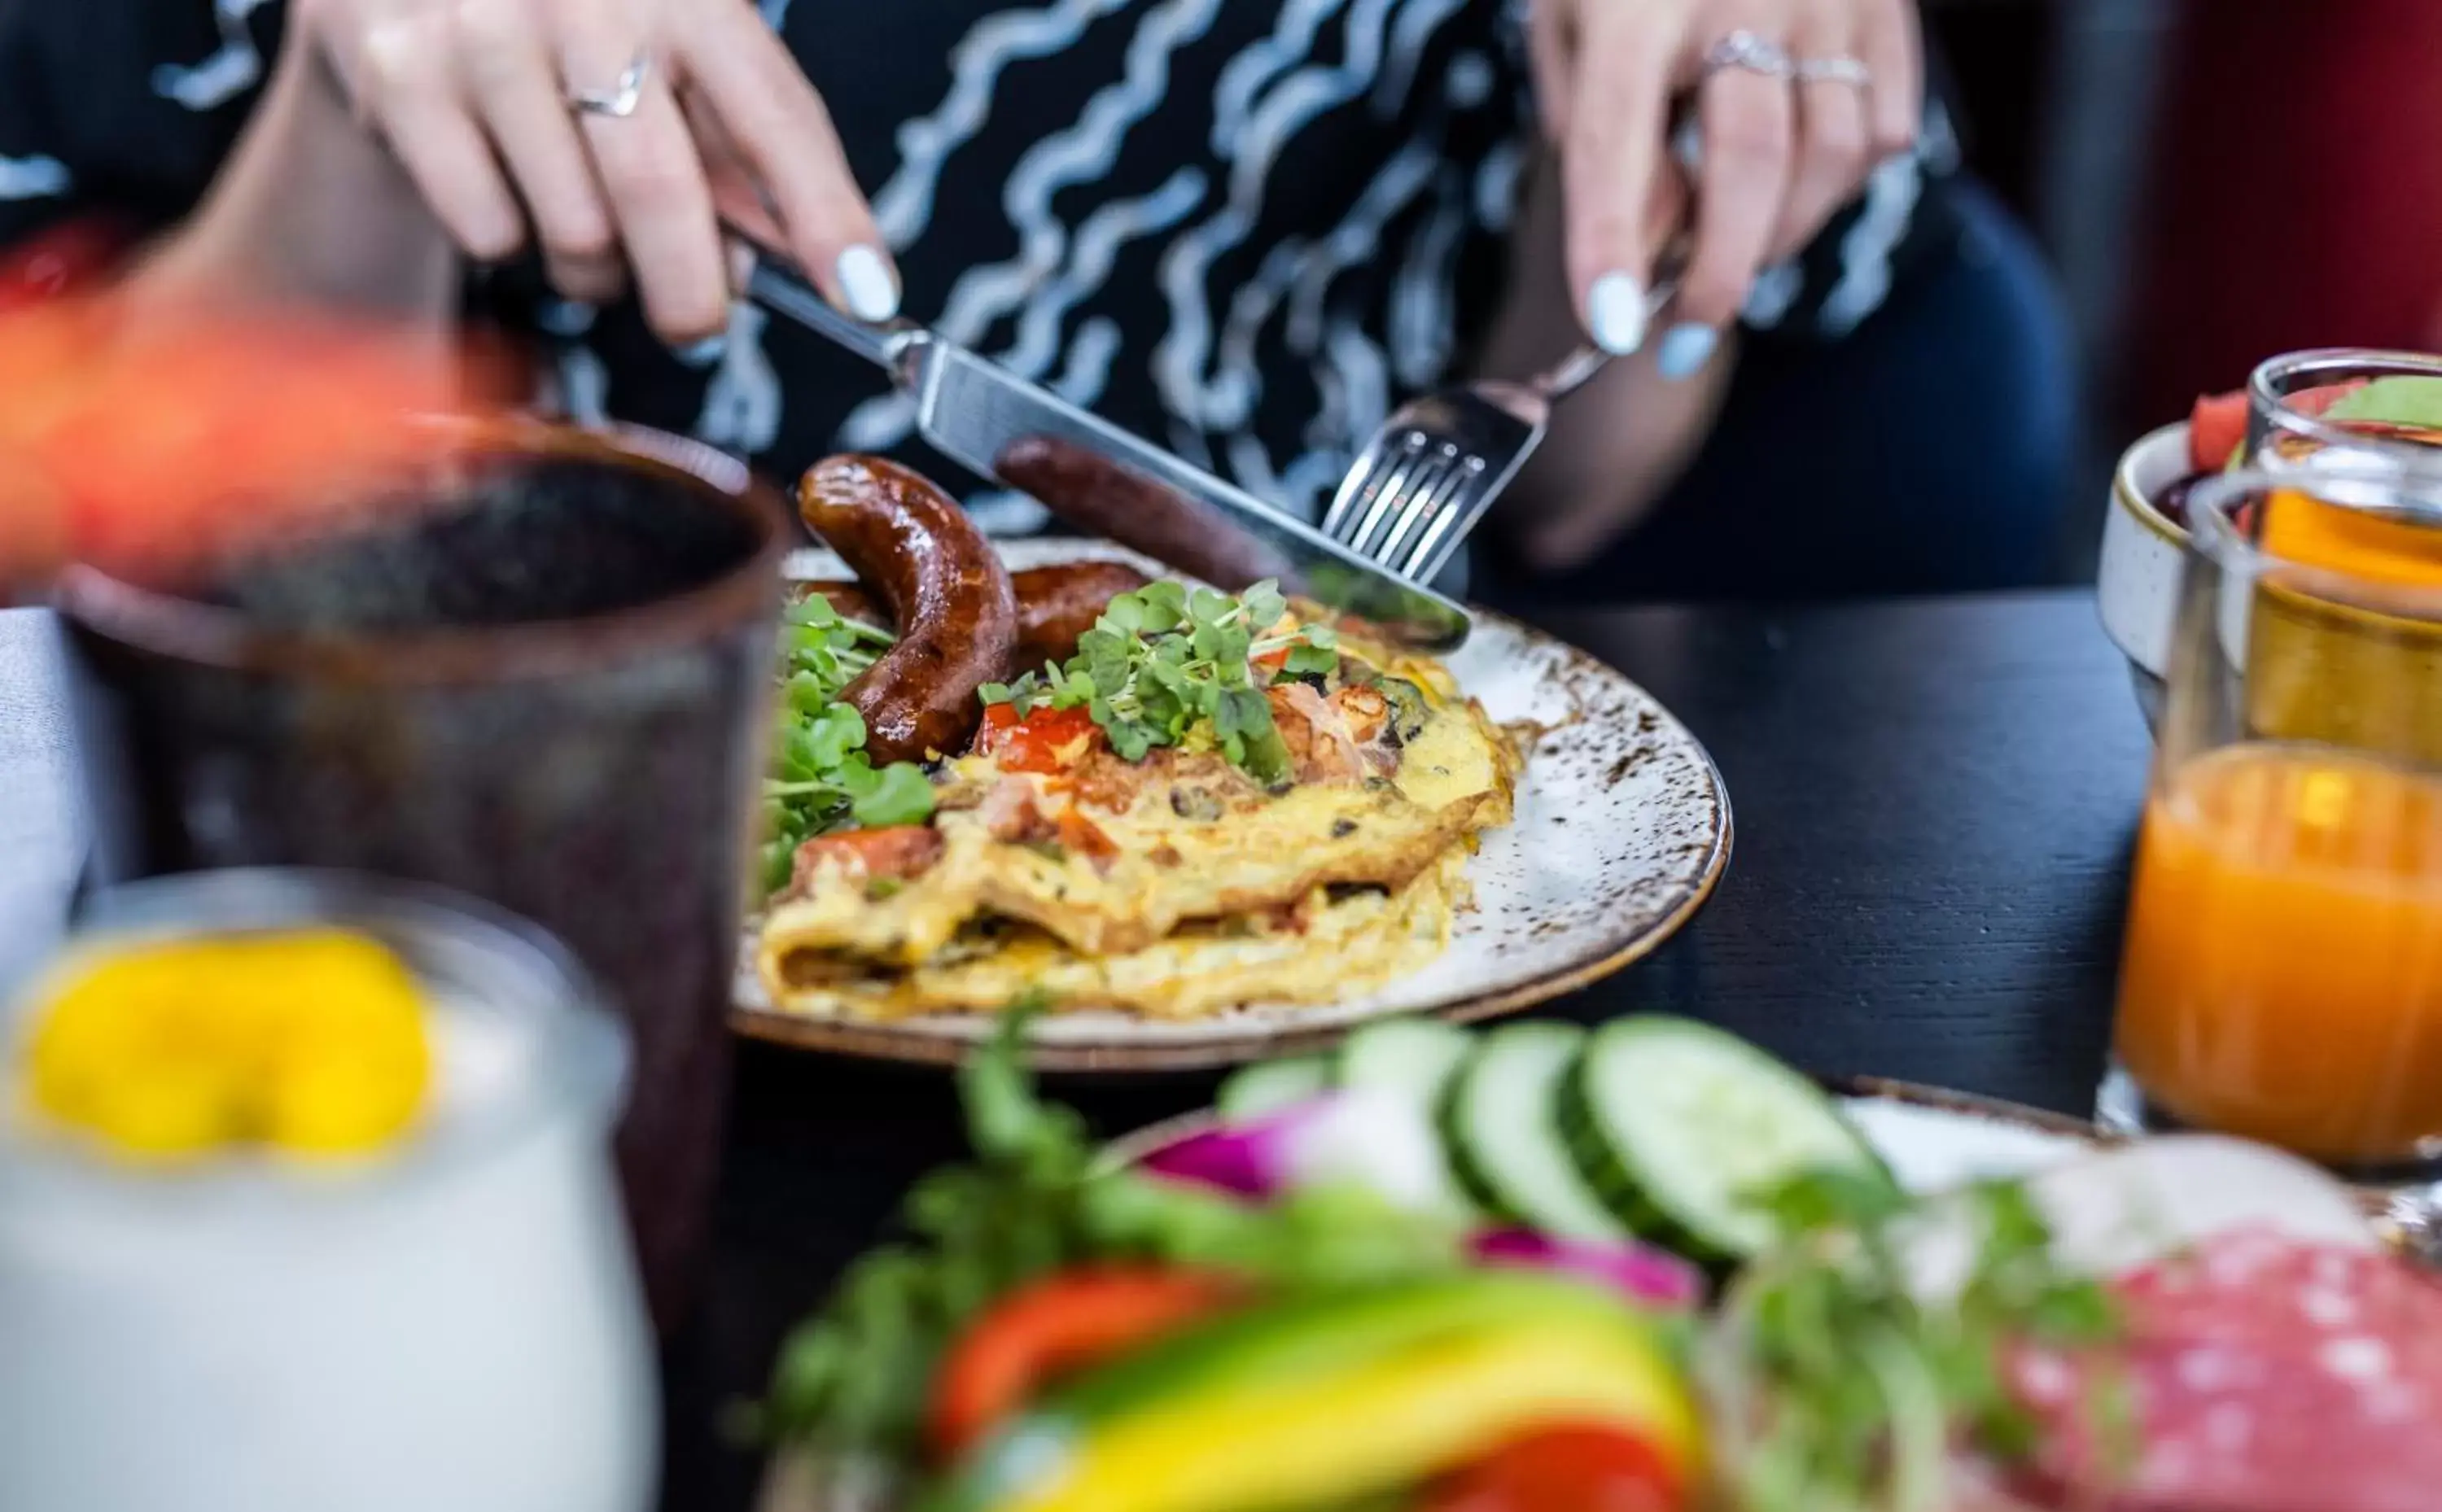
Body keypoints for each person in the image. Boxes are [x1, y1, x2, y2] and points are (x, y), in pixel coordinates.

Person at [0, 0, 2042, 598]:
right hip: (489, 877)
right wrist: (357, 113)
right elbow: (76, 522)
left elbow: (1579, 482)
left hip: (1291, 901)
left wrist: (1644, 216)